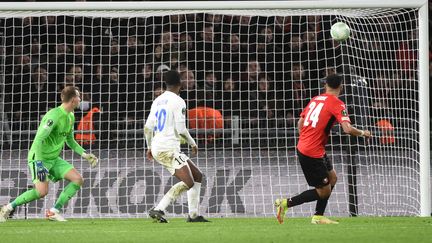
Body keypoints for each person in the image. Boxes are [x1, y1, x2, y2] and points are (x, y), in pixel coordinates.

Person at [275, 74, 371, 224]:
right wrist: (363, 133)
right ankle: (286, 203)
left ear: (325, 85)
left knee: (332, 178)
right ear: (341, 86)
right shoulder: (338, 104)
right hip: (311, 152)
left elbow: (300, 124)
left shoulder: (315, 99)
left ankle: (318, 216)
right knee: (323, 191)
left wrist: (309, 139)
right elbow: (347, 129)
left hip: (310, 147)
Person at [0, 86, 98, 222]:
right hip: (38, 157)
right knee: (41, 192)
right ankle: (7, 208)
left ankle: (53, 212)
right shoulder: (53, 116)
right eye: (79, 96)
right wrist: (39, 164)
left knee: (78, 179)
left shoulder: (70, 116)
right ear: (73, 100)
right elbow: (39, 139)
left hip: (53, 158)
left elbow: (70, 140)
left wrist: (85, 155)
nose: (81, 99)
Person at [144, 70, 209, 223]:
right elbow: (181, 129)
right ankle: (159, 208)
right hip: (168, 149)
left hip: (159, 147)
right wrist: (193, 143)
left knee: (197, 175)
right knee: (189, 181)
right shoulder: (178, 101)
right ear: (180, 84)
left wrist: (149, 147)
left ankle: (193, 215)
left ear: (166, 84)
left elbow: (147, 127)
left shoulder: (157, 100)